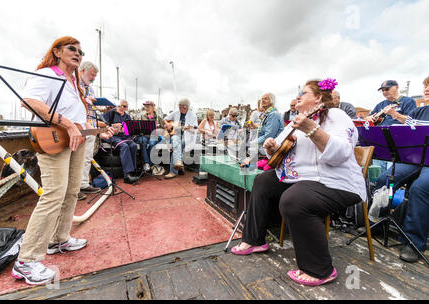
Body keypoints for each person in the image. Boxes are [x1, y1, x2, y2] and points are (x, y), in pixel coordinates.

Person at [231, 79, 366, 286]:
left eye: (304, 93)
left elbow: (340, 154)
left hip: (338, 182)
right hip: (303, 179)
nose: (298, 97)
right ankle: (255, 240)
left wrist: (312, 129)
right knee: (263, 181)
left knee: (294, 199)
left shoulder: (336, 116)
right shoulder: (298, 119)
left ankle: (320, 269)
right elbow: (279, 153)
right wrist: (270, 148)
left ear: (319, 97)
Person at [11, 36, 114, 285]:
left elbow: (80, 119)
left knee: (70, 191)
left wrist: (100, 127)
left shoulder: (75, 84)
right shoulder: (48, 74)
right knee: (54, 194)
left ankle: (59, 238)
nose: (78, 54)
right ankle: (25, 261)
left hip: (75, 142)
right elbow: (30, 102)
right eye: (72, 49)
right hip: (54, 140)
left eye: (81, 51)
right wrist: (67, 124)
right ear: (56, 51)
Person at [373, 77, 429, 263]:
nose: (426, 89)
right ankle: (378, 224)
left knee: (419, 188)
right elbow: (405, 132)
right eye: (426, 86)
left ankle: (413, 242)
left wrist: (396, 115)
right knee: (385, 179)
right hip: (416, 158)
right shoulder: (420, 110)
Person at [78, 61, 107, 200]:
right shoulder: (73, 83)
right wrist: (85, 99)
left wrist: (101, 108)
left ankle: (83, 183)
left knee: (87, 156)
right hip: (77, 126)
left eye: (95, 76)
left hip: (90, 125)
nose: (93, 78)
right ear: (82, 71)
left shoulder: (90, 88)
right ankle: (73, 189)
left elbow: (92, 107)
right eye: (92, 75)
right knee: (74, 158)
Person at [102, 99, 139, 184]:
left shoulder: (127, 117)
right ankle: (127, 175)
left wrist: (124, 130)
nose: (122, 107)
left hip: (124, 136)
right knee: (124, 146)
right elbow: (101, 123)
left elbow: (130, 130)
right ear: (117, 106)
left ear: (127, 108)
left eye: (124, 106)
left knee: (133, 145)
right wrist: (112, 127)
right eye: (120, 105)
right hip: (112, 136)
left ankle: (133, 171)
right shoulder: (111, 113)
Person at [163, 98, 198, 179]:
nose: (179, 109)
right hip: (175, 134)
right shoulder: (176, 112)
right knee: (176, 140)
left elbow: (195, 129)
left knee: (177, 145)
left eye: (180, 107)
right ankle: (178, 165)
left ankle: (175, 168)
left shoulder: (193, 116)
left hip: (187, 136)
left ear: (186, 107)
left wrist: (188, 128)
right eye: (178, 107)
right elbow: (165, 119)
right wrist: (168, 125)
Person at [136, 100, 164, 173]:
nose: (146, 108)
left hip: (154, 136)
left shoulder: (158, 117)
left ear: (153, 107)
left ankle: (148, 164)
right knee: (142, 141)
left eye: (148, 107)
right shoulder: (141, 116)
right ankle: (147, 163)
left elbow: (163, 129)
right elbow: (136, 128)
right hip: (144, 136)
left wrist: (158, 127)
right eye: (145, 107)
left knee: (152, 143)